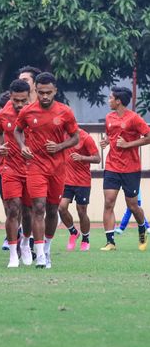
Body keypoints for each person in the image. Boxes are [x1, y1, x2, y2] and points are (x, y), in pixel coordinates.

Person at [15, 72, 79, 268]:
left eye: (48, 92)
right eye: (41, 92)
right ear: (36, 90)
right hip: (35, 166)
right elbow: (17, 130)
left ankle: (48, 248)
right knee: (38, 208)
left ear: (55, 91)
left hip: (58, 168)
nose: (44, 96)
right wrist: (22, 146)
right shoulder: (27, 111)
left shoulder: (65, 112)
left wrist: (59, 146)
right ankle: (40, 254)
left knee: (52, 210)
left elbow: (75, 137)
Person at [99, 86, 150, 251]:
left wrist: (128, 145)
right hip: (112, 165)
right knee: (108, 202)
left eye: (110, 98)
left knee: (133, 205)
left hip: (131, 168)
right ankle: (110, 242)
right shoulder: (108, 117)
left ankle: (142, 229)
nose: (109, 101)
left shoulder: (134, 118)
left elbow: (148, 137)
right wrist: (106, 141)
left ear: (118, 100)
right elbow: (110, 135)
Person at [0, 79, 34, 267]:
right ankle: (13, 253)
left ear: (29, 97)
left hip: (32, 169)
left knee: (28, 212)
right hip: (9, 168)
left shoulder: (36, 113)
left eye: (23, 100)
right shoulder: (3, 115)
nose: (19, 104)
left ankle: (26, 244)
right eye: (16, 100)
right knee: (13, 209)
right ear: (10, 96)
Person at [59, 128, 100, 251]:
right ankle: (73, 232)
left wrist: (82, 157)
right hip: (66, 180)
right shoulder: (62, 135)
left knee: (81, 211)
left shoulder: (86, 138)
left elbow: (97, 158)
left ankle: (85, 238)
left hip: (82, 181)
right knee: (61, 207)